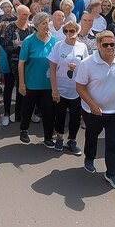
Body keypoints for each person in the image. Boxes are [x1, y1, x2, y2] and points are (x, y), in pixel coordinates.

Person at [76, 30, 115, 190]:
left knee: (113, 142)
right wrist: (93, 105)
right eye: (105, 45)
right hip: (92, 111)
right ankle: (89, 157)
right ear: (98, 45)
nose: (110, 47)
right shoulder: (87, 63)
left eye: (112, 44)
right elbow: (80, 87)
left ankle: (112, 173)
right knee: (91, 136)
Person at [48, 20, 88, 155]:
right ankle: (59, 137)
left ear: (77, 31)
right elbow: (52, 69)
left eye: (72, 31)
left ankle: (72, 140)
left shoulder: (82, 47)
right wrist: (54, 89)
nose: (69, 34)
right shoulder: (59, 46)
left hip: (76, 89)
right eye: (66, 31)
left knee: (76, 116)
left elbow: (86, 67)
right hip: (61, 87)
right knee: (59, 114)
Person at [18, 12, 57, 147]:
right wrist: (22, 83)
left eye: (48, 23)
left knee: (48, 111)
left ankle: (48, 137)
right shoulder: (29, 41)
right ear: (36, 26)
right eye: (43, 23)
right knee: (27, 109)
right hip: (32, 84)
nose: (47, 26)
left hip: (48, 84)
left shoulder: (54, 41)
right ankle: (24, 129)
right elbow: (21, 63)